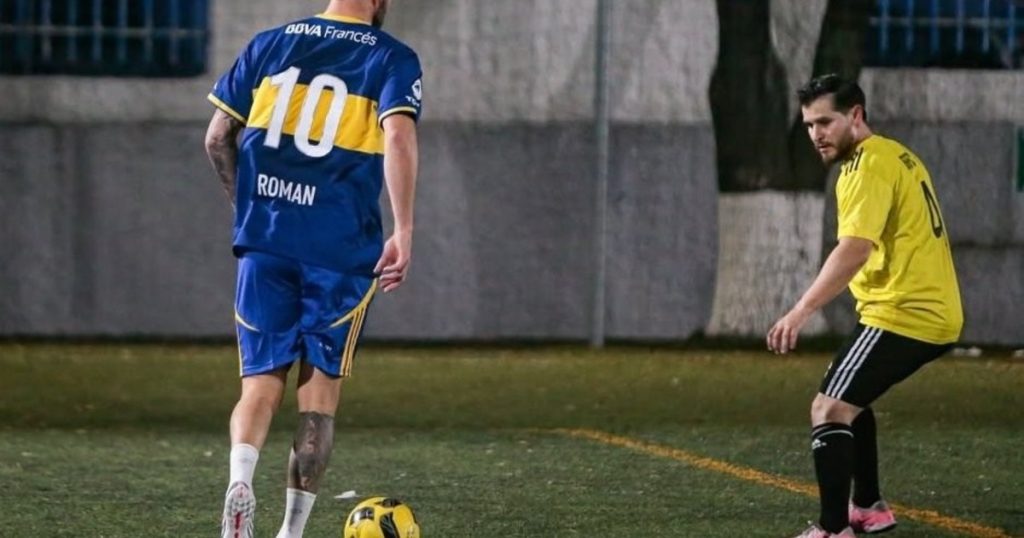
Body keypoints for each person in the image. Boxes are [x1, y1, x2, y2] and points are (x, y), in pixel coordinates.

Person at [203, 1, 421, 536]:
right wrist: (404, 228)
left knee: (258, 383)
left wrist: (250, 210)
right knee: (318, 395)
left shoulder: (268, 44)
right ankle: (291, 531)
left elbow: (215, 138)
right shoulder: (392, 57)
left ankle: (240, 481)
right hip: (340, 250)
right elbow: (396, 135)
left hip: (267, 243)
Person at [767, 74, 963, 538]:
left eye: (825, 122)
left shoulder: (865, 167)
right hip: (923, 310)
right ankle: (869, 507)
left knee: (828, 409)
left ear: (856, 115)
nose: (816, 134)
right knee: (851, 401)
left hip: (905, 313)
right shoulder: (896, 154)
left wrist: (800, 310)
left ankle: (834, 530)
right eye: (809, 125)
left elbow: (854, 248)